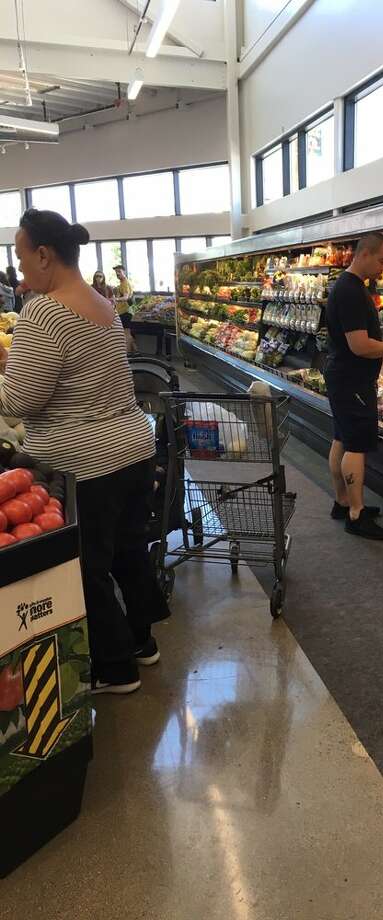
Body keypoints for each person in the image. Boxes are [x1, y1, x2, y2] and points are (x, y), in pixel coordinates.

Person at [0, 209, 170, 694]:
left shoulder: (43, 311)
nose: (20, 269)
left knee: (86, 567)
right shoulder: (101, 304)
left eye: (20, 256)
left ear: (44, 255)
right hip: (134, 446)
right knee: (127, 551)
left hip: (86, 460)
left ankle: (116, 669)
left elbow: (19, 401)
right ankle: (142, 642)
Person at [324, 232, 383, 541]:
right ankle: (356, 515)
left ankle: (343, 501)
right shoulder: (350, 291)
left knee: (341, 439)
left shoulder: (350, 288)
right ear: (365, 254)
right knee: (356, 445)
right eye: (382, 260)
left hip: (343, 377)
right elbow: (358, 345)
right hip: (353, 379)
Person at [112, 264, 136, 352]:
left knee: (126, 333)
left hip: (126, 312)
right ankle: (135, 352)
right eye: (116, 272)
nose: (117, 274)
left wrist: (115, 299)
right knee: (127, 333)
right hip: (122, 312)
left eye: (119, 272)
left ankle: (128, 353)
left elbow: (125, 297)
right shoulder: (121, 283)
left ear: (124, 272)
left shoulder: (125, 283)